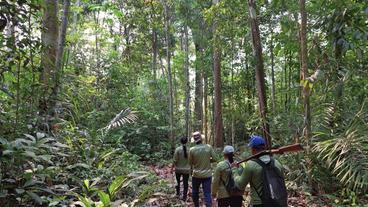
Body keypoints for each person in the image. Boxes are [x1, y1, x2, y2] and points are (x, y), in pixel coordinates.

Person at [234, 135, 285, 207]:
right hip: (278, 202)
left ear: (253, 149)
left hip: (259, 203)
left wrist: (236, 171)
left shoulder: (251, 164)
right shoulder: (277, 163)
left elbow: (240, 185)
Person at [189, 131, 217, 207]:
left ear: (194, 140)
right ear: (201, 139)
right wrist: (208, 160)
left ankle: (196, 205)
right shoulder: (208, 147)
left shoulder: (192, 149)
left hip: (196, 174)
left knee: (195, 192)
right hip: (207, 175)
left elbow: (190, 162)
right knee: (207, 193)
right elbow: (215, 159)